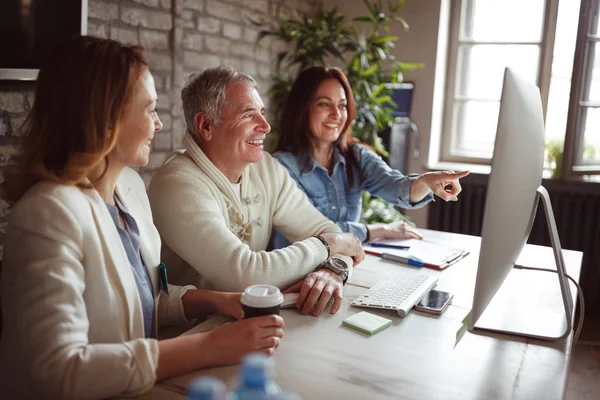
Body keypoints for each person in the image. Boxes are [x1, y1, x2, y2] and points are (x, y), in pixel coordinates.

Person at [0, 37, 284, 399]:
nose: (159, 125)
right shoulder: (46, 215)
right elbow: (60, 370)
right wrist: (208, 346)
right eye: (149, 110)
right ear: (106, 117)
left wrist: (215, 300)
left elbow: (144, 298)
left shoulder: (129, 189)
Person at [148, 66, 364, 318]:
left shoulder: (266, 169)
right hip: (189, 336)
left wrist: (333, 270)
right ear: (206, 125)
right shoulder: (177, 183)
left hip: (248, 323)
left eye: (261, 112)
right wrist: (330, 245)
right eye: (249, 115)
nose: (266, 126)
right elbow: (247, 276)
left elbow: (331, 233)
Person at [272, 66, 469, 249]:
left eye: (342, 105)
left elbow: (395, 186)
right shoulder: (280, 167)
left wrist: (427, 181)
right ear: (302, 109)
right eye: (324, 104)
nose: (336, 114)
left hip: (341, 262)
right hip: (297, 272)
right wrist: (377, 230)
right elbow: (312, 233)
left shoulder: (356, 155)